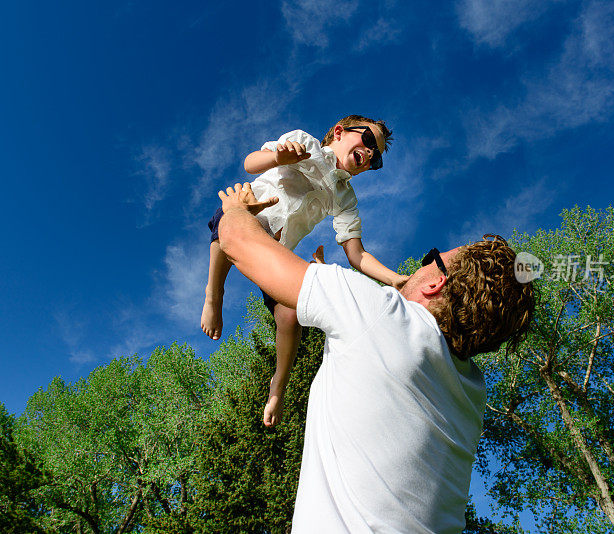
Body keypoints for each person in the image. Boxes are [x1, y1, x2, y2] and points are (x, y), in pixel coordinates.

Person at [216, 182, 535, 533]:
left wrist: (235, 209)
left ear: (435, 285)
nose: (420, 264)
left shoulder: (385, 317)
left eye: (431, 259)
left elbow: (236, 241)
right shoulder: (471, 395)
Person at [201, 115, 408, 427]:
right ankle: (214, 295)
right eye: (367, 141)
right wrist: (277, 157)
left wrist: (395, 279)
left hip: (274, 251)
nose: (369, 155)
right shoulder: (305, 144)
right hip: (252, 213)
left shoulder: (345, 198)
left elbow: (357, 253)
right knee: (232, 216)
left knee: (290, 315)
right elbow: (250, 163)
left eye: (375, 158)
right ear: (339, 131)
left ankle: (277, 386)